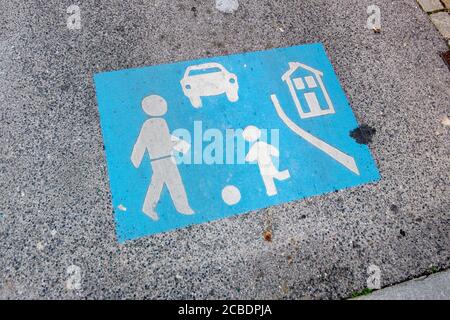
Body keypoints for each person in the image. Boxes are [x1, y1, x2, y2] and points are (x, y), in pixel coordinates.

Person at [131, 95, 194, 221]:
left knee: (159, 182)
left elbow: (162, 138)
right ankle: (182, 207)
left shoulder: (157, 122)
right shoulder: (153, 123)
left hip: (162, 157)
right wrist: (135, 159)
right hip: (162, 158)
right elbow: (145, 141)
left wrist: (135, 159)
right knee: (173, 181)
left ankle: (149, 207)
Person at [243, 125, 290, 196]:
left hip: (265, 166)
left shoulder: (256, 146)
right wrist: (276, 153)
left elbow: (250, 157)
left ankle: (273, 191)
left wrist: (247, 158)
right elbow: (273, 150)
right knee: (270, 179)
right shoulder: (261, 144)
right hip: (266, 165)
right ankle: (272, 191)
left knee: (274, 177)